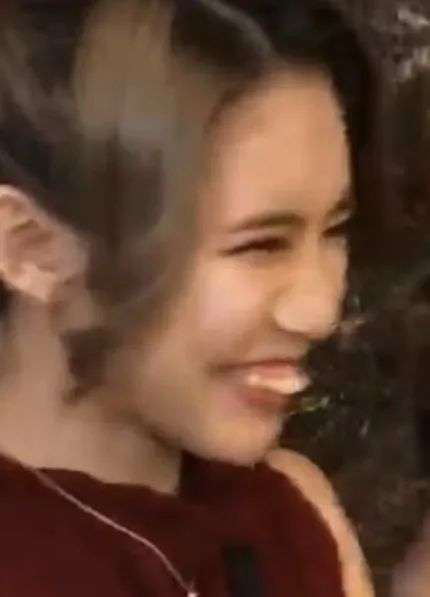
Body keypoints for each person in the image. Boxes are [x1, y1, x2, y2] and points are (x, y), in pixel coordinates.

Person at [0, 0, 374, 595]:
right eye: (260, 245)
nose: (320, 310)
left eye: (334, 230)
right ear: (29, 248)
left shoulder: (289, 514)